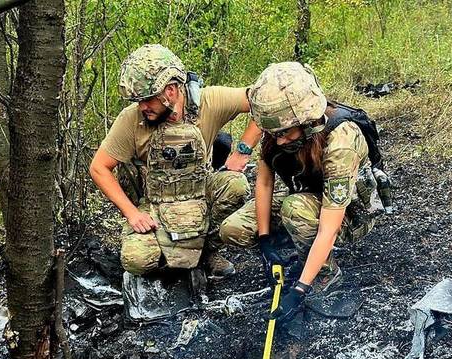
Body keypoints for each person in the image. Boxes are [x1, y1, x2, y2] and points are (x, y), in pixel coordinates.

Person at [220, 61, 375, 324]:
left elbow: (329, 227)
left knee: (295, 209)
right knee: (233, 229)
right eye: (273, 133)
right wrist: (265, 240)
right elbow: (265, 183)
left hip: (348, 212)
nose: (278, 140)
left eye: (284, 133)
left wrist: (301, 288)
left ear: (307, 122)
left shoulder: (340, 141)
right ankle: (299, 248)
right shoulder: (277, 127)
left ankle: (326, 275)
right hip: (307, 198)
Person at [89, 44, 261, 281]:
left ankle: (208, 252)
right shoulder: (132, 119)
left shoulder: (208, 102)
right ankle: (166, 261)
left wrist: (243, 149)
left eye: (147, 100)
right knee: (136, 260)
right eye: (138, 101)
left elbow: (263, 99)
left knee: (236, 184)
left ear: (170, 90)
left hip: (200, 194)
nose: (142, 107)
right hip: (154, 204)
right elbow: (99, 168)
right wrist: (132, 214)